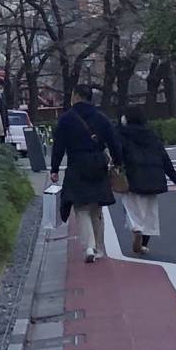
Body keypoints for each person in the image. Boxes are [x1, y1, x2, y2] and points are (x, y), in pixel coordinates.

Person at [49, 85, 121, 263]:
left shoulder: (66, 119)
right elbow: (114, 142)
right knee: (96, 207)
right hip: (97, 163)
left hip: (76, 164)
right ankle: (98, 247)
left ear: (77, 96)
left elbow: (58, 146)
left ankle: (89, 246)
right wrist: (117, 162)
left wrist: (54, 169)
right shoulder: (101, 118)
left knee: (80, 207)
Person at [116, 108, 176, 255]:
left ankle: (136, 228)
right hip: (153, 178)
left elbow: (117, 154)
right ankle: (144, 243)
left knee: (131, 208)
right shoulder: (150, 134)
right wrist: (174, 178)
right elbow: (164, 156)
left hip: (133, 177)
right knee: (150, 212)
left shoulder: (122, 134)